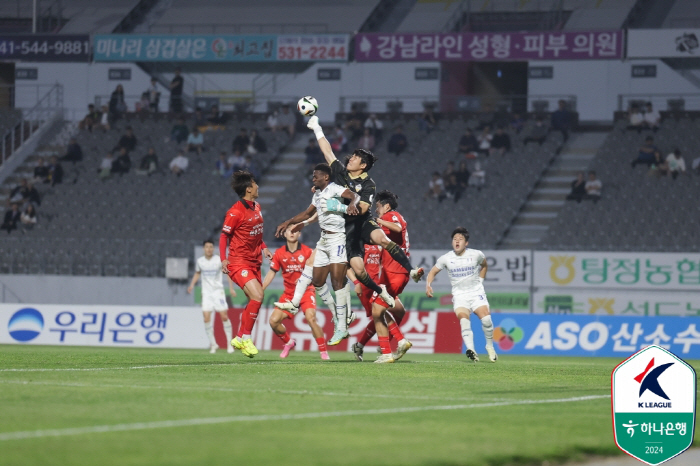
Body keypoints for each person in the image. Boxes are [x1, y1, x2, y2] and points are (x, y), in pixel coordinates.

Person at [297, 115, 424, 341]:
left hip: (362, 224)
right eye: (352, 156)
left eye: (355, 157)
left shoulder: (368, 184)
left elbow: (364, 209)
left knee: (383, 239)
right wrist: (316, 127)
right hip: (345, 231)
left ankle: (412, 270)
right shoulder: (341, 173)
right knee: (359, 271)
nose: (351, 158)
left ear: (363, 165)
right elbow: (327, 151)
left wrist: (334, 203)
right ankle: (380, 291)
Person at [273, 163, 361, 346]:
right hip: (323, 240)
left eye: (316, 176)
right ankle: (342, 316)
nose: (313, 179)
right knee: (318, 281)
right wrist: (288, 222)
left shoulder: (335, 189)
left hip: (337, 239)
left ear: (325, 177)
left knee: (337, 282)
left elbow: (354, 196)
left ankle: (342, 327)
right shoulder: (318, 194)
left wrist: (352, 203)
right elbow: (307, 213)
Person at [353, 190, 413, 364]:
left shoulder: (385, 224)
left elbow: (398, 227)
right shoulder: (365, 237)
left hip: (387, 278)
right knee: (385, 311)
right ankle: (387, 345)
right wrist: (356, 281)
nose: (376, 210)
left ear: (386, 206)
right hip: (370, 283)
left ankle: (377, 346)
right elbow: (350, 262)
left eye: (378, 206)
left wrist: (376, 221)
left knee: (385, 311)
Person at [220, 171, 272, 357]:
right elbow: (224, 236)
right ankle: (246, 338)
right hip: (238, 262)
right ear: (249, 189)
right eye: (255, 183)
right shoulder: (235, 212)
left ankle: (239, 336)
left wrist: (264, 247)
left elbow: (256, 233)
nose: (258, 186)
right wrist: (223, 259)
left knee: (255, 299)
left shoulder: (256, 206)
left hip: (255, 261)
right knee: (258, 296)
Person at [425, 227, 497, 363]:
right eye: (454, 239)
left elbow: (485, 266)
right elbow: (432, 272)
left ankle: (490, 346)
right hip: (459, 296)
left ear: (466, 243)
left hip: (476, 293)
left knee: (486, 320)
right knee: (464, 320)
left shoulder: (476, 254)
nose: (457, 241)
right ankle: (471, 350)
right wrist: (428, 285)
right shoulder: (446, 258)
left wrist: (480, 282)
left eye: (460, 239)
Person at [263, 228, 330, 360]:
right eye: (289, 230)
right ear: (285, 233)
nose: (292, 233)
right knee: (273, 321)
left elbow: (317, 270)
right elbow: (272, 272)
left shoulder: (307, 252)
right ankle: (289, 342)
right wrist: (262, 288)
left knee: (311, 318)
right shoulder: (279, 253)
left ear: (299, 234)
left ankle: (323, 351)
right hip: (289, 294)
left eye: (296, 230)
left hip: (306, 291)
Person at [187, 239, 236, 354]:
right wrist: (192, 285)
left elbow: (227, 272)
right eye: (207, 247)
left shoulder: (218, 260)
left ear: (213, 248)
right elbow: (197, 273)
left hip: (218, 292)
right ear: (204, 249)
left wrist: (231, 288)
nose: (209, 249)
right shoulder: (200, 261)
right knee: (206, 318)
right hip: (207, 293)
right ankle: (213, 344)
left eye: (211, 247)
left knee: (224, 316)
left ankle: (229, 344)